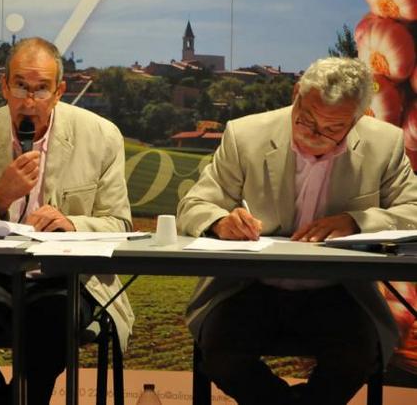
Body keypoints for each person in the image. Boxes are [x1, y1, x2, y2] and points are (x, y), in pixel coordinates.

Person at [177, 57, 417, 405]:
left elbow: (412, 210)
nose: (313, 135)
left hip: (339, 288)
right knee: (221, 356)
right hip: (249, 286)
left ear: (359, 117)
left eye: (332, 128)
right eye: (306, 120)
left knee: (357, 359)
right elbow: (194, 205)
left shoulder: (385, 143)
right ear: (295, 95)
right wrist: (220, 221)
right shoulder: (246, 134)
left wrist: (357, 221)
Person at [0, 37, 134, 405]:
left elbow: (119, 224)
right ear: (4, 86)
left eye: (41, 89)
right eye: (21, 86)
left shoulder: (101, 136)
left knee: (48, 322)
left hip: (68, 277)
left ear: (59, 92)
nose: (29, 101)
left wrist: (72, 225)